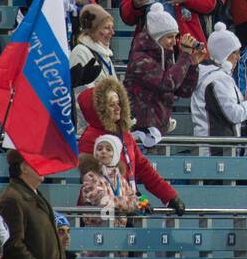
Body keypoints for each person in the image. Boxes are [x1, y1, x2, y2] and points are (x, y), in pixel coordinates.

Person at [77, 76, 187, 215]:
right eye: (112, 105)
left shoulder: (124, 134)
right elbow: (99, 182)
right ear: (100, 110)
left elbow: (143, 167)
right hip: (101, 218)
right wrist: (134, 199)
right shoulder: (90, 138)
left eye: (119, 103)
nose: (118, 108)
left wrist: (169, 196)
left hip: (126, 210)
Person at [125, 2, 203, 134]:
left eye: (175, 37)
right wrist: (184, 56)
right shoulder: (140, 60)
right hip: (140, 131)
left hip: (159, 129)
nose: (174, 42)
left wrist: (193, 64)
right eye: (169, 37)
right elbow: (167, 83)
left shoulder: (165, 56)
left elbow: (185, 91)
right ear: (156, 37)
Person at [0, 150, 72, 259]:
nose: (43, 165)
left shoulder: (31, 194)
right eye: (36, 161)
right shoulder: (13, 199)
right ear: (23, 167)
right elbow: (12, 244)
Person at [191, 22, 247, 139]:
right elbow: (234, 115)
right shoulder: (218, 79)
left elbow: (221, 109)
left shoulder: (214, 75)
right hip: (216, 151)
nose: (239, 57)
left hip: (215, 149)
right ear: (223, 54)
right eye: (235, 52)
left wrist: (245, 100)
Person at [78, 133, 143, 226]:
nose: (103, 152)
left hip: (119, 228)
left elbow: (135, 200)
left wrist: (118, 202)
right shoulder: (90, 176)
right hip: (96, 231)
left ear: (116, 154)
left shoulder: (120, 178)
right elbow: (103, 200)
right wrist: (127, 203)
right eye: (99, 149)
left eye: (108, 149)